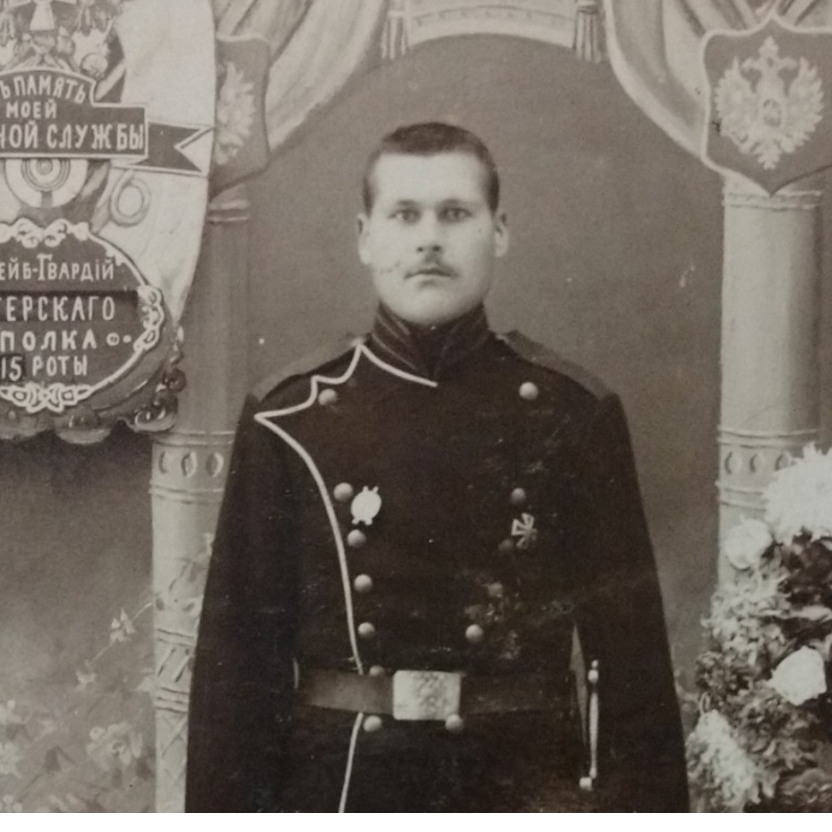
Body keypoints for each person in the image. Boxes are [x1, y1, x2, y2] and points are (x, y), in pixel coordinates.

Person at [186, 121, 689, 812]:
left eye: (455, 214)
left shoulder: (574, 416)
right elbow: (236, 681)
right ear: (365, 237)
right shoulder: (288, 419)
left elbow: (632, 677)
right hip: (341, 791)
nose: (430, 238)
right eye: (405, 215)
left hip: (522, 786)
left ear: (499, 231)